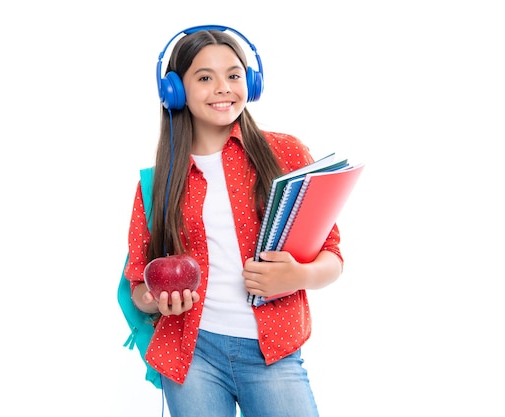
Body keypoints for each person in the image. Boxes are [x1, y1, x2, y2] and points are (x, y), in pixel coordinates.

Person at [124, 25, 343, 417]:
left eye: (234, 75)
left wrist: (299, 277)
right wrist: (158, 299)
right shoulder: (158, 180)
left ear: (251, 82)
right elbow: (138, 283)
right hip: (192, 356)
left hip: (273, 352)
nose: (223, 87)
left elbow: (332, 255)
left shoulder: (285, 154)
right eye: (205, 77)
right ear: (175, 90)